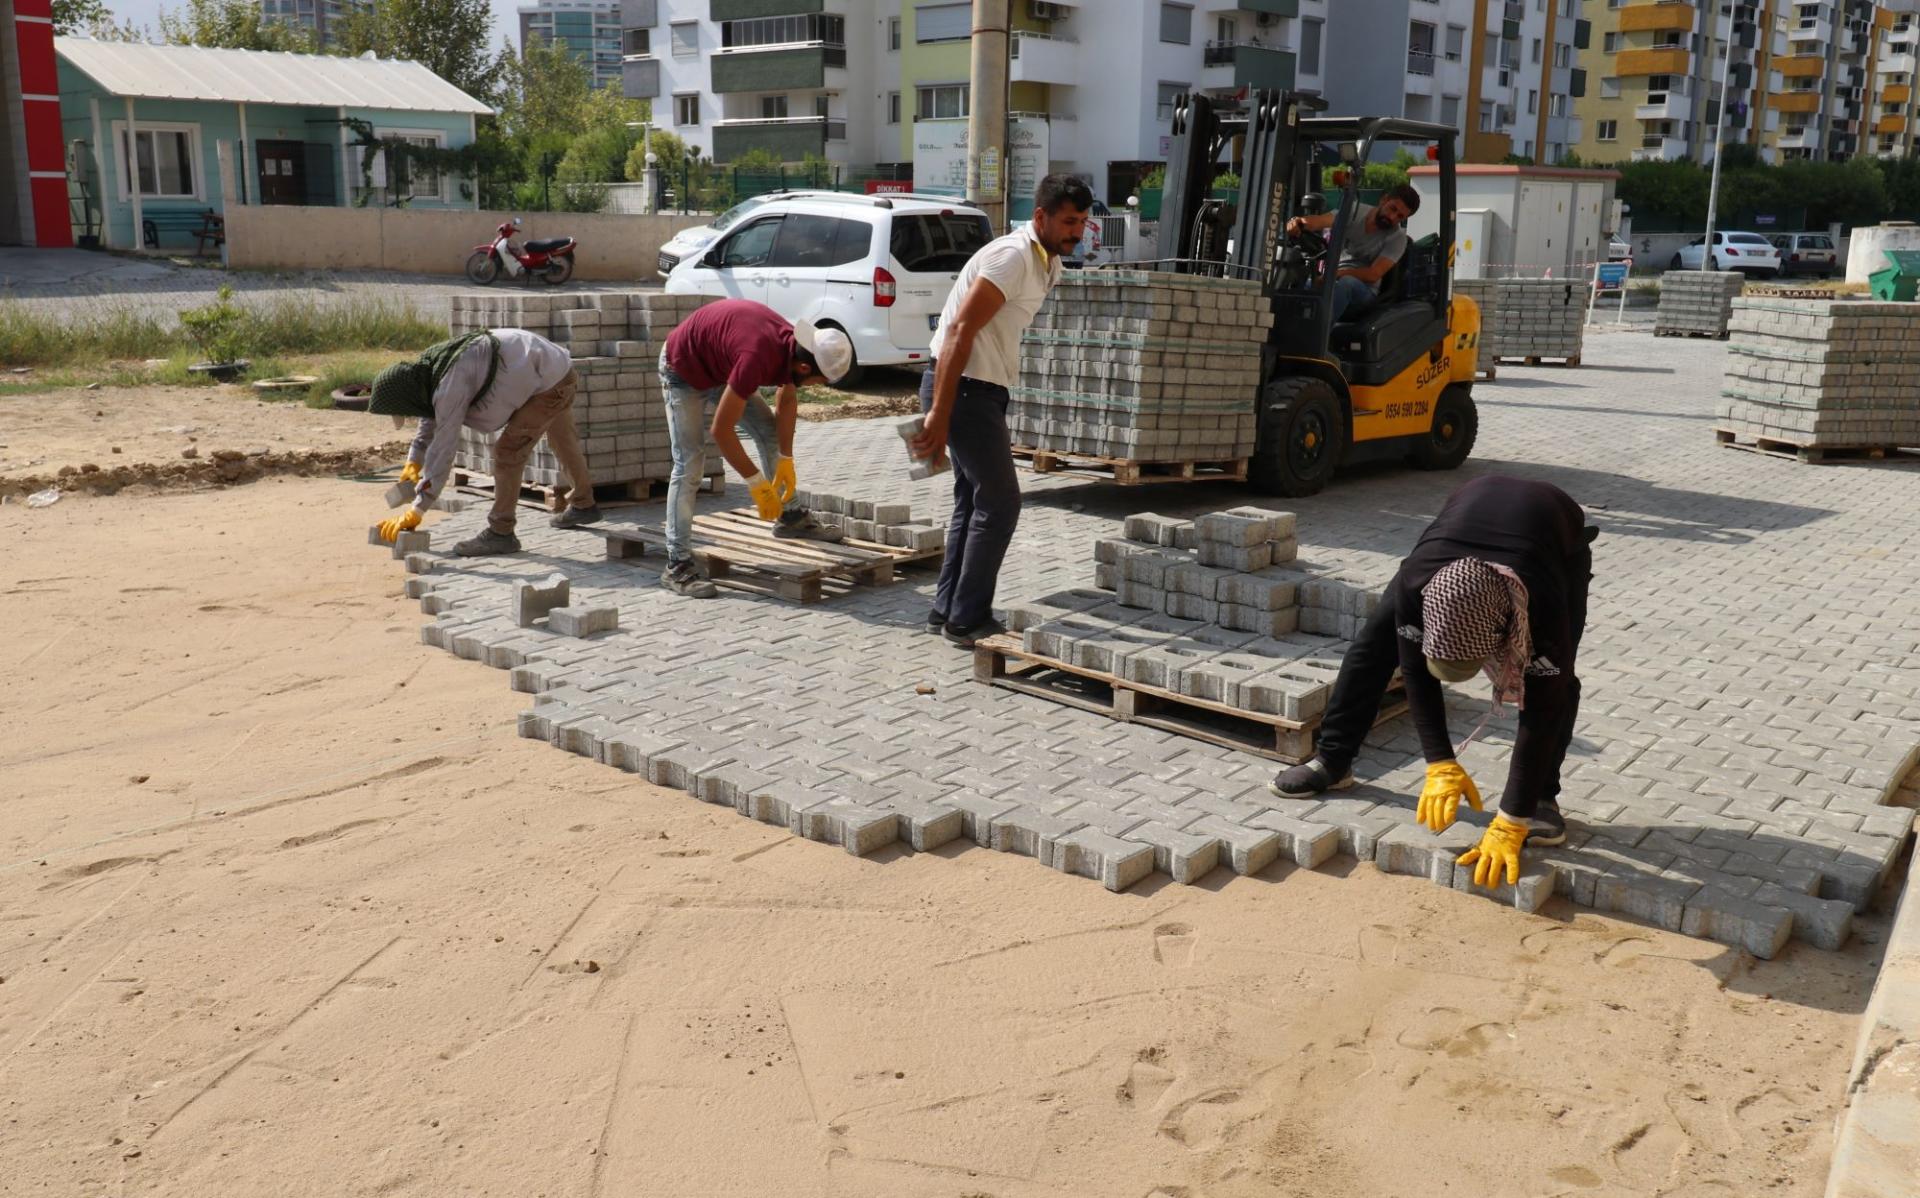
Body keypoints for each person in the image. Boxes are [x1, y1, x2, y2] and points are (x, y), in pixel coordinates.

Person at [1267, 475, 1598, 888]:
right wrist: (1440, 762)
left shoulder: (1542, 603)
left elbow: (1542, 707)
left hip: (1554, 539)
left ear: (1500, 634)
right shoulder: (1418, 583)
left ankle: (1541, 800)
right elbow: (1416, 674)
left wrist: (1511, 817)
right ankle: (1332, 760)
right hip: (1458, 531)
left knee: (1558, 682)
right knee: (1371, 649)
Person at [911, 173, 1093, 648]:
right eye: (1069, 221)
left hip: (982, 391)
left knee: (973, 500)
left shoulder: (1046, 261)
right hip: (962, 391)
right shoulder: (1012, 258)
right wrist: (937, 415)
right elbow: (957, 332)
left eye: (1084, 222)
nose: (1077, 231)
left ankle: (945, 608)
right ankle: (966, 620)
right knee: (1001, 501)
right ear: (1041, 217)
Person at [658, 298, 853, 599]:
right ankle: (677, 564)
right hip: (683, 369)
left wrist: (785, 459)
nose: (816, 385)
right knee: (690, 465)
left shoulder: (794, 346)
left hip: (723, 367)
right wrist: (756, 483)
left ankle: (791, 518)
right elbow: (722, 431)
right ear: (804, 366)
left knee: (769, 433)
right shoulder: (756, 357)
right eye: (818, 380)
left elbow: (786, 399)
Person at [369, 327, 600, 556]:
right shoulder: (429, 370)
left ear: (406, 396)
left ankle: (501, 533)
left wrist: (418, 509)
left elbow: (444, 447)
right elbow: (430, 417)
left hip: (548, 383)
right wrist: (413, 462)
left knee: (508, 452)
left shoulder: (451, 385)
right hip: (555, 371)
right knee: (563, 440)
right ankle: (584, 503)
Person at [1287, 182, 1420, 323]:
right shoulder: (1354, 212)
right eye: (1392, 209)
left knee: (1346, 284)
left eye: (1400, 216)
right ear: (1384, 200)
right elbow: (1322, 220)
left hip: (1364, 291)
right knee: (1300, 282)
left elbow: (1373, 274)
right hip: (1334, 277)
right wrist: (1299, 222)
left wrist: (1333, 275)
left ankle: (1314, 335)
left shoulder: (1397, 238)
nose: (1393, 218)